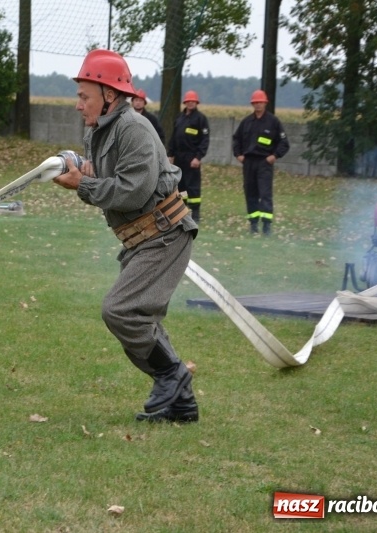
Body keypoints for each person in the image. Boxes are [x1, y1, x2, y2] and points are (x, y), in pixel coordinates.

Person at [52, 49, 199, 424]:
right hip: (143, 238)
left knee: (120, 310)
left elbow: (132, 190)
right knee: (139, 316)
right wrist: (83, 173)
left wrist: (84, 184)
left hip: (164, 235)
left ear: (110, 96)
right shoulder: (100, 131)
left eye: (85, 96)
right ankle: (181, 406)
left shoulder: (132, 127)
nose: (78, 104)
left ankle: (171, 375)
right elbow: (105, 180)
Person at [232, 89, 290, 235]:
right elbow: (236, 139)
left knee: (265, 194)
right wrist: (238, 155)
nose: (258, 105)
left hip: (265, 163)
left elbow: (284, 143)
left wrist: (274, 156)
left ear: (265, 103)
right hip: (249, 163)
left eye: (261, 102)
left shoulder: (273, 122)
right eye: (255, 102)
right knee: (250, 193)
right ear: (253, 104)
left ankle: (266, 227)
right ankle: (253, 225)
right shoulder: (246, 122)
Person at [168, 90, 210, 222]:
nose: (190, 103)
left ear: (196, 102)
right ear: (185, 102)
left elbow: (205, 140)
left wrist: (198, 157)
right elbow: (174, 137)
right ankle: (182, 212)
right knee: (181, 186)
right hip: (179, 157)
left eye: (193, 101)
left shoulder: (201, 119)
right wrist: (171, 154)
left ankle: (195, 214)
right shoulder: (180, 118)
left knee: (193, 186)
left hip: (192, 158)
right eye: (188, 101)